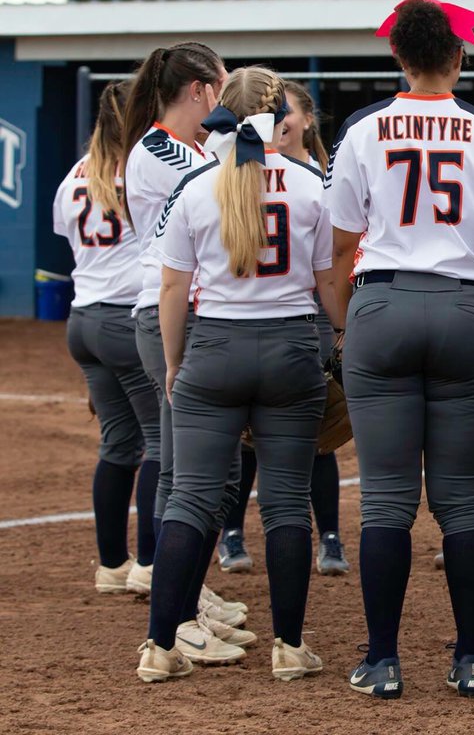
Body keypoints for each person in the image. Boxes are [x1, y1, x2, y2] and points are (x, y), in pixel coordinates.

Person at [325, 0, 474, 699]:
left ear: (397, 55)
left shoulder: (362, 130)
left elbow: (341, 247)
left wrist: (347, 327)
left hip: (382, 302)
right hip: (463, 309)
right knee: (460, 503)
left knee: (386, 502)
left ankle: (382, 661)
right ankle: (470, 658)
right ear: (460, 56)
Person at [137, 66, 339, 683]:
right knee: (283, 504)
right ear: (283, 117)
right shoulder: (310, 183)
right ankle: (288, 647)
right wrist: (342, 337)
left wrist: (175, 363)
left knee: (191, 498)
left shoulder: (199, 184)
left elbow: (172, 287)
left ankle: (159, 647)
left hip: (214, 346)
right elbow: (330, 281)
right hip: (290, 348)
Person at [122, 42, 248, 642]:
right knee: (184, 474)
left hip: (194, 312)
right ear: (198, 90)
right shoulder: (159, 152)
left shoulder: (192, 148)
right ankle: (176, 612)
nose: (225, 101)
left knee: (204, 472)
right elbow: (227, 195)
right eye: (221, 87)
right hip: (170, 311)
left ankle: (187, 594)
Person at [218, 80, 350, 576]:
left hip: (311, 313)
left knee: (318, 431)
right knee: (248, 434)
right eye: (278, 112)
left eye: (291, 112)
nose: (284, 120)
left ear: (307, 120)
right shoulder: (237, 172)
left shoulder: (322, 176)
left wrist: (338, 323)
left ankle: (330, 536)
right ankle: (232, 533)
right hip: (264, 313)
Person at [53, 80, 162, 595]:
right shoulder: (144, 172)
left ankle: (112, 564)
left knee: (119, 443)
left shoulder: (75, 175)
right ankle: (149, 563)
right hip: (126, 320)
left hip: (83, 322)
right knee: (162, 442)